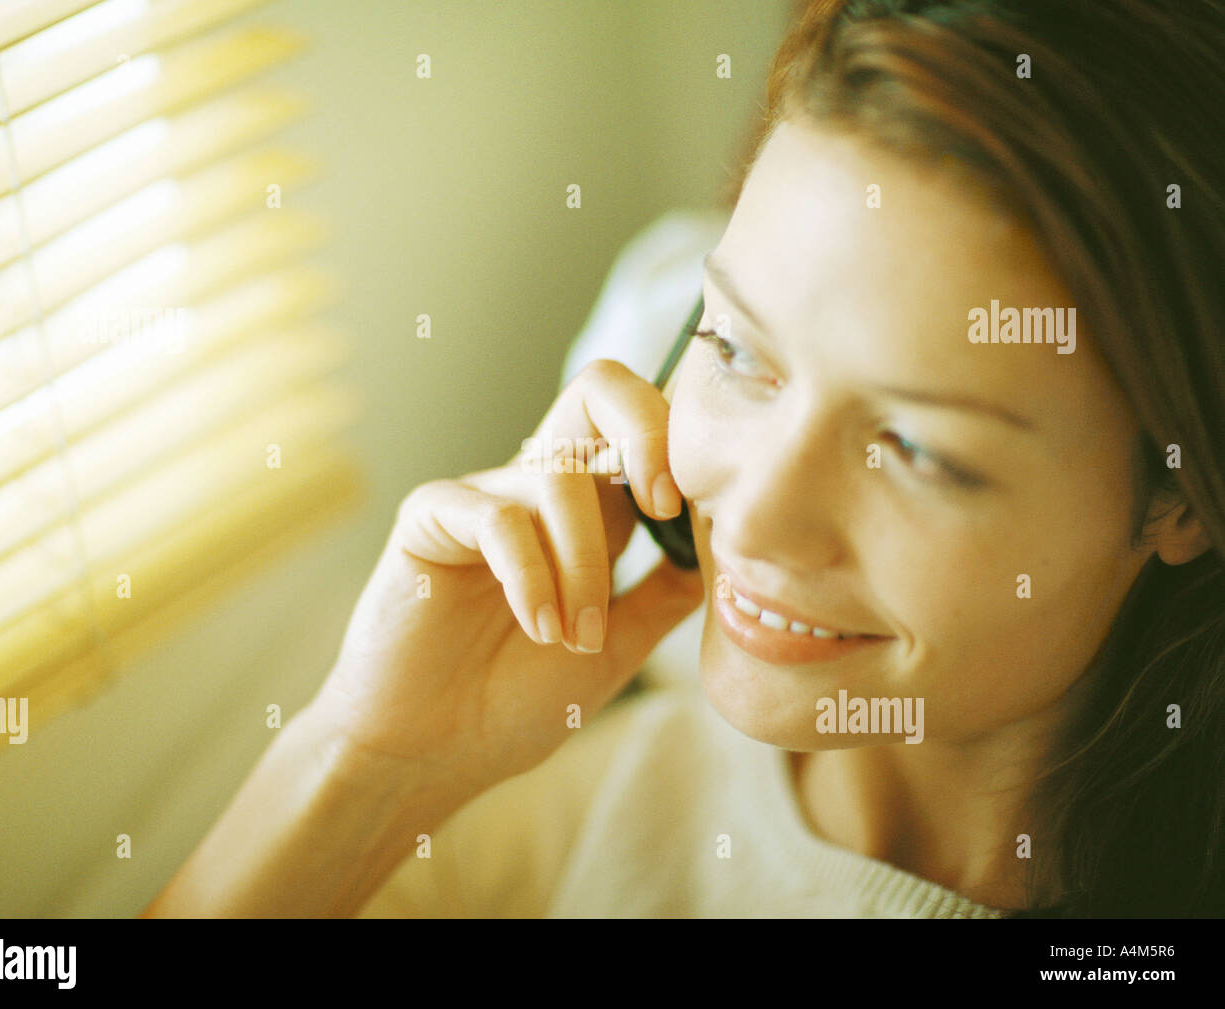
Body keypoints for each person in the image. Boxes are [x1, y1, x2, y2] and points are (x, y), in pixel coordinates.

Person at [142, 0, 1225, 917]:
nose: (750, 522)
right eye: (736, 353)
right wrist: (370, 764)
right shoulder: (584, 813)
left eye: (915, 449)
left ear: (1179, 490)